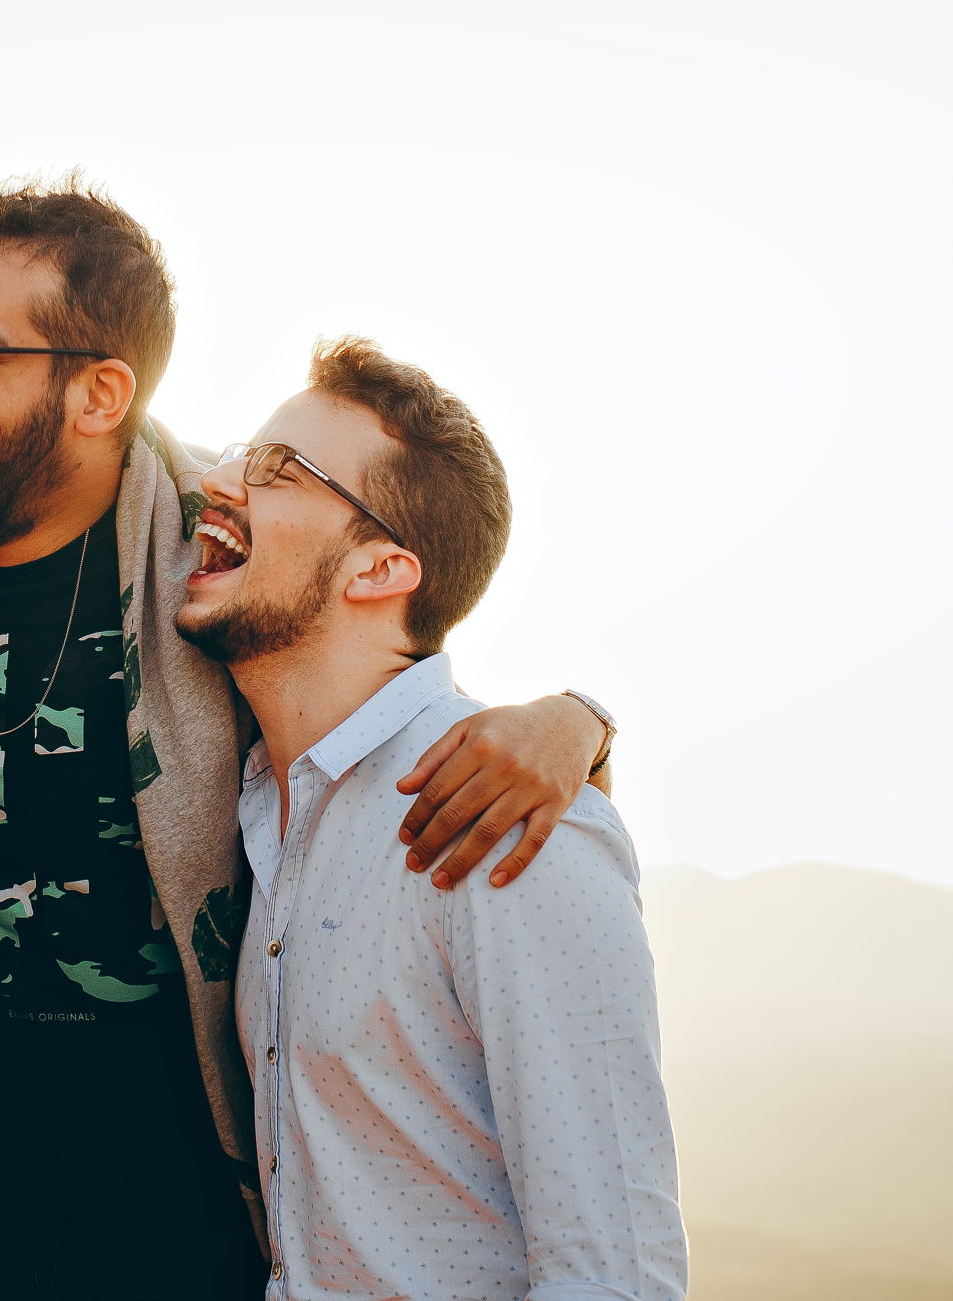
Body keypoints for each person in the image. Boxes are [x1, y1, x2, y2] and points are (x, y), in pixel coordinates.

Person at [0, 175, 620, 1300]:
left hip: (199, 1256)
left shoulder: (210, 555)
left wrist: (573, 721)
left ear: (98, 392)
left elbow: (381, 652)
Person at [176, 336, 685, 1298]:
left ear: (380, 570)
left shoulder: (511, 819)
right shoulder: (264, 811)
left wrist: (583, 722)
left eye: (279, 470)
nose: (217, 480)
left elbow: (614, 1269)